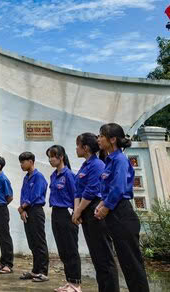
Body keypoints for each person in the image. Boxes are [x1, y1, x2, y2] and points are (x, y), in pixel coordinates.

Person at [95, 124, 149, 292]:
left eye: (101, 136)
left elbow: (118, 188)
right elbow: (109, 188)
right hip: (114, 212)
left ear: (112, 139)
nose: (98, 139)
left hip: (121, 213)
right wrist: (102, 203)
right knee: (126, 262)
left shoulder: (119, 159)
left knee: (132, 263)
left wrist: (106, 206)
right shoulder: (110, 160)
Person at [72, 133, 119, 292]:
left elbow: (91, 190)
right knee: (96, 256)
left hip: (94, 209)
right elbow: (78, 189)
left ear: (85, 148)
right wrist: (77, 211)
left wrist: (78, 211)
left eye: (78, 145)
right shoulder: (85, 166)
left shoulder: (97, 164)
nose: (76, 148)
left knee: (104, 256)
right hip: (85, 211)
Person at [47, 145, 81, 292]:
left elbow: (76, 195)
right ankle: (69, 282)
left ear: (61, 157)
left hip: (67, 213)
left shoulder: (69, 175)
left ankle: (76, 284)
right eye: (48, 157)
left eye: (52, 156)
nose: (50, 160)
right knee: (63, 250)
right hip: (56, 213)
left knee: (71, 248)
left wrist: (76, 213)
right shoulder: (54, 175)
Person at [18, 151, 49, 283]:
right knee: (32, 242)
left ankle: (43, 271)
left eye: (23, 162)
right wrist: (22, 210)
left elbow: (36, 195)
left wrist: (23, 207)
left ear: (31, 161)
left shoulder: (39, 177)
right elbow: (23, 194)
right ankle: (35, 270)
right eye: (20, 162)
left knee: (39, 241)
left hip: (35, 210)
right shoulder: (26, 178)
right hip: (27, 211)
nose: (21, 165)